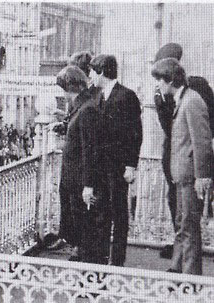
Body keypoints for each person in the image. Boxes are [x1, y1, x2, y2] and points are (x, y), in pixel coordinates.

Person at [151, 58, 213, 275]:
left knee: (188, 228)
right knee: (182, 225)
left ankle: (190, 279)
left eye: (159, 80)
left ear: (169, 80)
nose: (157, 85)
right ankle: (178, 269)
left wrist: (202, 177)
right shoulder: (184, 99)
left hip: (188, 177)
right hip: (182, 176)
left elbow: (202, 141)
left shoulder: (192, 101)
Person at [89, 54, 143, 266]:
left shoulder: (126, 96)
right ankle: (102, 260)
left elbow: (135, 133)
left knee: (119, 215)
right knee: (102, 214)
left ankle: (117, 262)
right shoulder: (101, 96)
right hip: (103, 167)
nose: (91, 76)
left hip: (119, 167)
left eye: (93, 71)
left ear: (102, 71)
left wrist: (131, 165)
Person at [54, 66, 108, 263]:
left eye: (63, 90)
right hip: (74, 179)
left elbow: (90, 151)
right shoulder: (83, 106)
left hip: (79, 182)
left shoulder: (87, 110)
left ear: (70, 87)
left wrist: (88, 185)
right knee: (79, 227)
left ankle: (89, 276)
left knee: (85, 230)